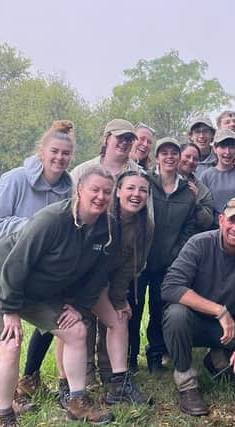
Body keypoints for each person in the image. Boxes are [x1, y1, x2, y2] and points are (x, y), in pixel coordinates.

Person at [0, 165, 117, 426]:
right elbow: (16, 264)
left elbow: (98, 274)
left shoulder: (107, 227)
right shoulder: (52, 220)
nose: (100, 196)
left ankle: (77, 401)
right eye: (94, 189)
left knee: (76, 331)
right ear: (79, 191)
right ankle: (5, 415)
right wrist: (11, 311)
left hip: (36, 290)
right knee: (11, 345)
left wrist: (80, 307)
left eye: (107, 191)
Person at [0, 120, 75, 413]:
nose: (59, 158)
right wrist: (35, 228)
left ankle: (31, 377)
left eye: (66, 154)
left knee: (51, 320)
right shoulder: (14, 179)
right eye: (54, 151)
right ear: (42, 151)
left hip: (35, 271)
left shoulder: (69, 190)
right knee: (5, 334)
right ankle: (6, 397)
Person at [161, 197, 235, 416]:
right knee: (175, 314)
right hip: (194, 321)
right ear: (220, 220)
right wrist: (219, 310)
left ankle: (218, 359)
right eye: (231, 220)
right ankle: (187, 383)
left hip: (230, 326)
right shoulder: (199, 243)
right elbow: (170, 287)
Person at [82, 170, 153, 404]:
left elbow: (131, 266)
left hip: (110, 282)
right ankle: (82, 377)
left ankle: (114, 379)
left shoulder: (145, 225)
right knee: (82, 323)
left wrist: (119, 298)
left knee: (118, 317)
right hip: (82, 281)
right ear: (118, 192)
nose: (136, 194)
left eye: (143, 190)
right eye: (131, 188)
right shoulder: (100, 216)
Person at [128, 137, 196, 372]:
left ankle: (155, 355)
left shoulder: (187, 192)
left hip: (168, 263)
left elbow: (190, 227)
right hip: (140, 260)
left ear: (179, 158)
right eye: (164, 153)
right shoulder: (146, 184)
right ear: (156, 157)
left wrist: (175, 253)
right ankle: (129, 358)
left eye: (174, 153)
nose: (169, 157)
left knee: (159, 310)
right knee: (133, 310)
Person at [71, 119, 142, 183]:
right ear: (106, 138)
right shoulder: (82, 171)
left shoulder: (140, 174)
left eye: (129, 139)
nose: (124, 142)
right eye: (119, 137)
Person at [178, 142, 214, 233]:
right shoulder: (162, 178)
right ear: (178, 156)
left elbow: (207, 222)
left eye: (195, 159)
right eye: (187, 156)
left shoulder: (203, 190)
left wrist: (196, 202)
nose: (191, 161)